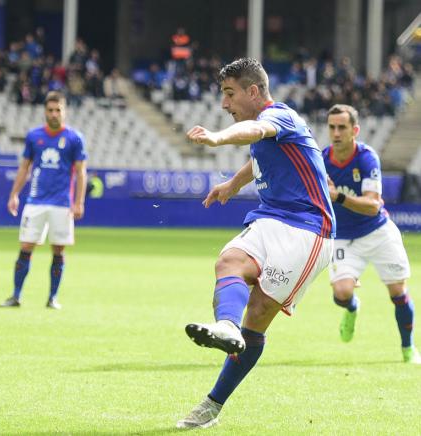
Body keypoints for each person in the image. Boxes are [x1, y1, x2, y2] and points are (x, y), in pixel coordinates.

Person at [177, 58, 335, 429]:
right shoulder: (269, 131)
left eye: (230, 94)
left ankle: (212, 405)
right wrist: (232, 184)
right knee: (229, 261)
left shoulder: (281, 116)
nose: (224, 104)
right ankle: (226, 328)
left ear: (253, 91)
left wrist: (216, 138)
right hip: (270, 218)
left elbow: (257, 132)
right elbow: (260, 154)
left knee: (259, 312)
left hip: (309, 228)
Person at [322, 104, 419, 363]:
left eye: (342, 127)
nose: (336, 132)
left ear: (355, 130)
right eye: (332, 127)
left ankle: (408, 348)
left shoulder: (366, 157)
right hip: (343, 237)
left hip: (377, 232)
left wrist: (338, 196)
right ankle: (352, 308)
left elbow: (373, 205)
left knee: (398, 292)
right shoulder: (321, 160)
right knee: (341, 293)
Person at [0, 91, 87, 310]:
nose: (54, 114)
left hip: (61, 203)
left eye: (58, 110)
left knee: (59, 250)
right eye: (50, 110)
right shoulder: (34, 136)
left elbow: (81, 172)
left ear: (64, 111)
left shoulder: (75, 138)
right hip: (35, 201)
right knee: (26, 246)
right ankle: (16, 295)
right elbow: (24, 168)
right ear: (44, 112)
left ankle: (52, 298)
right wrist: (14, 195)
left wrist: (79, 202)